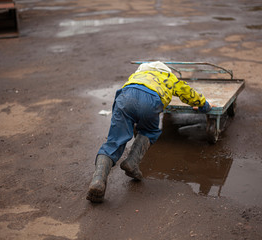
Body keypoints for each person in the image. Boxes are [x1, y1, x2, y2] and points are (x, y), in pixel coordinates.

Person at [87, 61, 212, 203]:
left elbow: (130, 93)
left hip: (125, 97)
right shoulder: (169, 77)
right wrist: (203, 104)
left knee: (114, 141)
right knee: (149, 131)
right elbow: (188, 93)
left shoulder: (139, 74)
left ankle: (98, 180)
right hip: (150, 101)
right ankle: (132, 161)